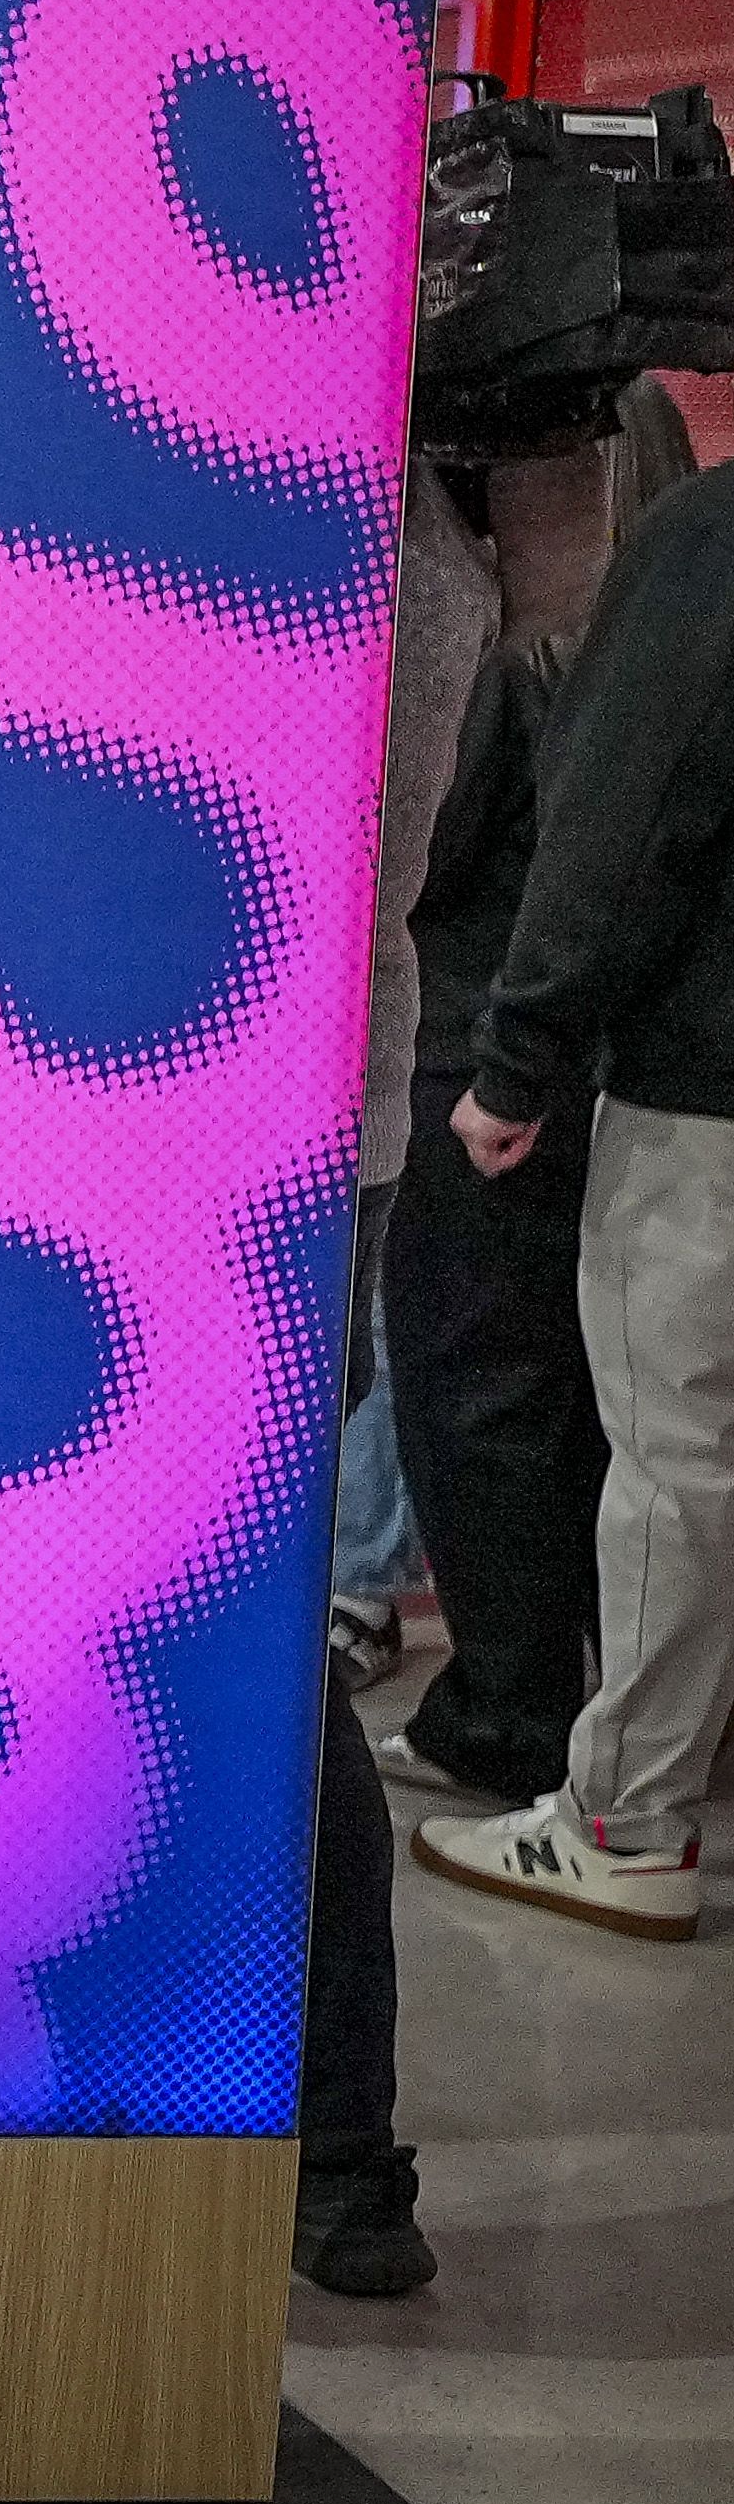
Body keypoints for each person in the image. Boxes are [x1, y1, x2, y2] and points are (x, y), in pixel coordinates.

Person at [419, 454, 734, 1938]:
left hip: (706, 1088)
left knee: (679, 1459)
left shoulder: (713, 537)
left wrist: (518, 1057)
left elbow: (622, 807)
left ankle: (624, 1817)